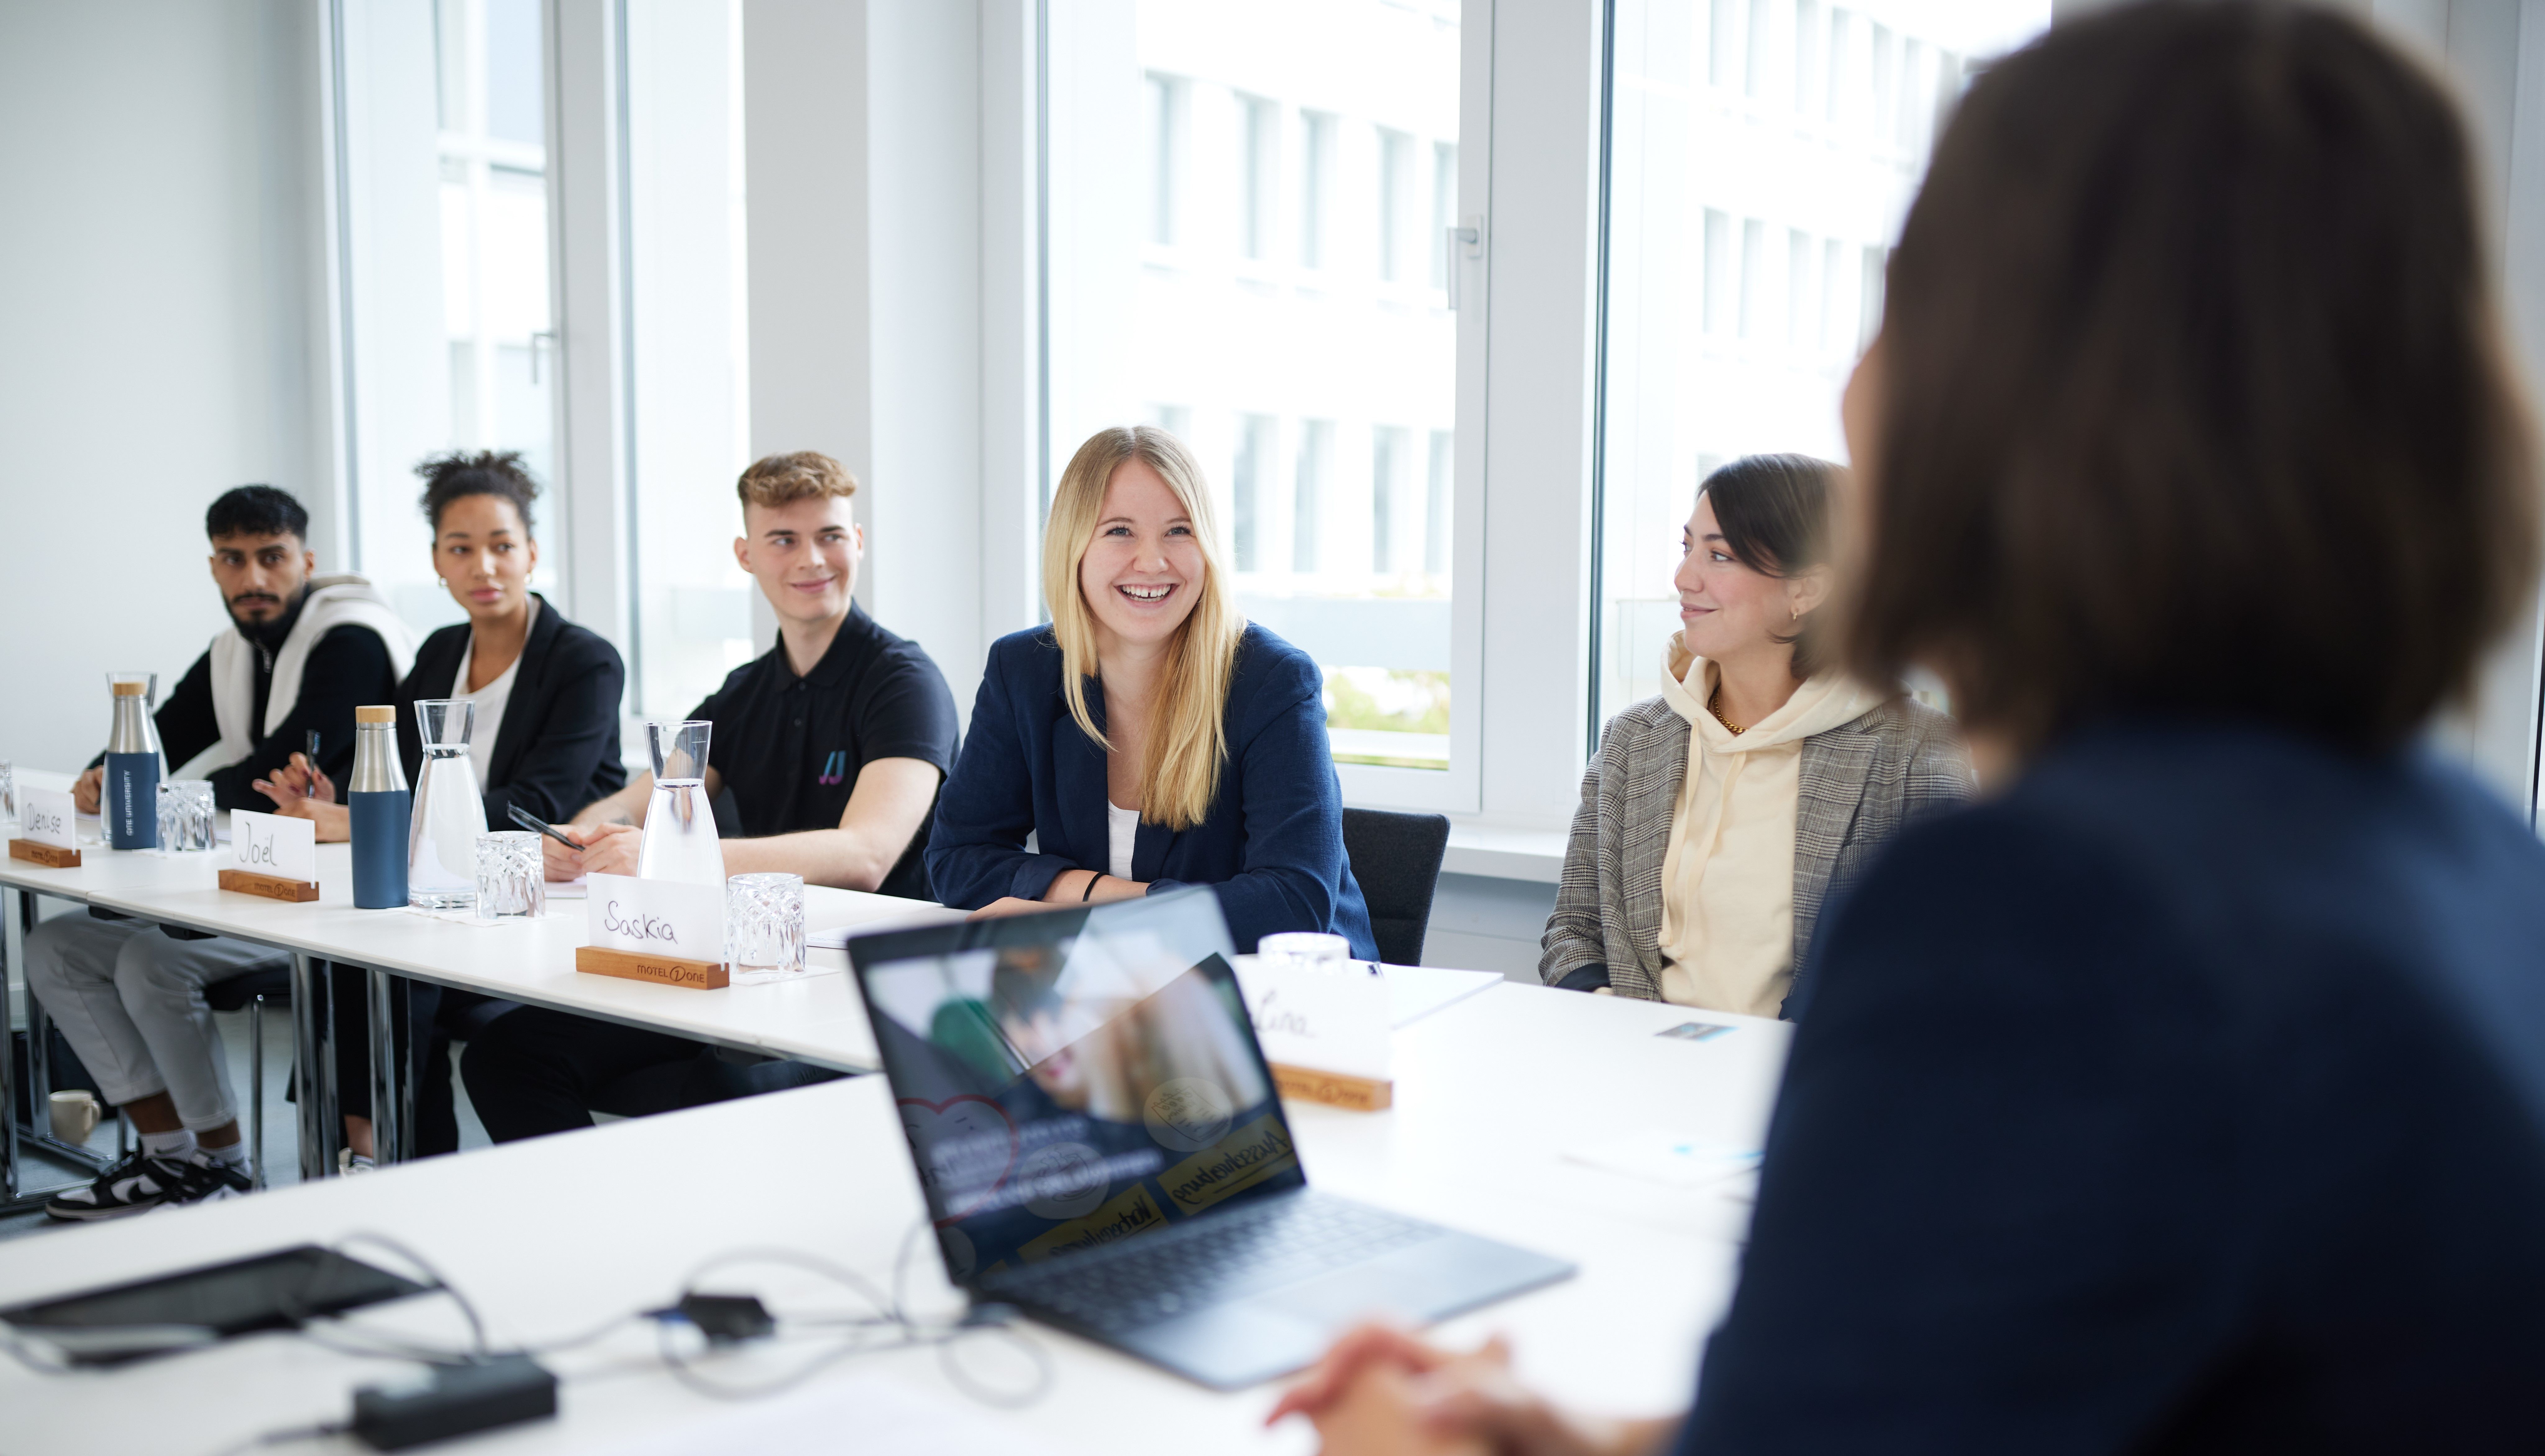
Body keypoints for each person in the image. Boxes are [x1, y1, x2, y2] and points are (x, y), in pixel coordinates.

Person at [1275, 2, 2545, 1449]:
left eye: (1901, 305)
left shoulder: (2037, 915)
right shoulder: (2468, 854)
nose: (1855, 383)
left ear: (2002, 401)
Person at [458, 450, 960, 1141]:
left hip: (859, 995)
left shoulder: (905, 682)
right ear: (746, 555)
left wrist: (666, 856)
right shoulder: (744, 691)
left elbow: (866, 855)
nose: (812, 559)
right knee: (507, 1056)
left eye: (830, 536)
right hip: (744, 974)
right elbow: (640, 801)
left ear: (859, 542)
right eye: (784, 539)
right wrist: (581, 836)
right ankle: (598, 1209)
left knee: (726, 1092)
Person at [32, 485, 413, 1218]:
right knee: (55, 947)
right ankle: (173, 1156)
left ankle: (224, 1166)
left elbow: (264, 782)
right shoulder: (234, 650)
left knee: (150, 961)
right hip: (251, 883)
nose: (253, 579)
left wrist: (155, 792)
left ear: (307, 561)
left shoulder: (353, 641)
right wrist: (99, 778)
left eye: (272, 558)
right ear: (213, 567)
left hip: (339, 906)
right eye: (234, 561)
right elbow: (164, 733)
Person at [256, 452, 627, 1165]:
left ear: (532, 553)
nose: (483, 566)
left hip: (544, 901)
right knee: (358, 952)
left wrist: (364, 824)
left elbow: (534, 806)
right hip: (445, 899)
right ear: (436, 562)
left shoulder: (584, 660)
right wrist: (341, 797)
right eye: (460, 549)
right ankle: (377, 1150)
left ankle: (382, 1157)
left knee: (390, 962)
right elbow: (400, 771)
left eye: (502, 546)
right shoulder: (439, 653)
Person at [1538, 454, 1968, 1017]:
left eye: (1719, 556)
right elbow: (1574, 930)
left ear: (1807, 591)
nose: (1683, 578)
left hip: (1804, 1066)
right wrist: (1618, 1016)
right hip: (1636, 1054)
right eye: (1687, 547)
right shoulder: (1633, 740)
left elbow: (1938, 961)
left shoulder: (1914, 751)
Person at [927, 425, 1377, 959]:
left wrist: (1080, 920)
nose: (1152, 561)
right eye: (1120, 531)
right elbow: (956, 858)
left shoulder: (1273, 681)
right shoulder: (1024, 670)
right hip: (1120, 982)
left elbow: (1292, 904)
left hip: (1291, 991)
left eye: (1179, 531)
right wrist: (1097, 896)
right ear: (1073, 546)